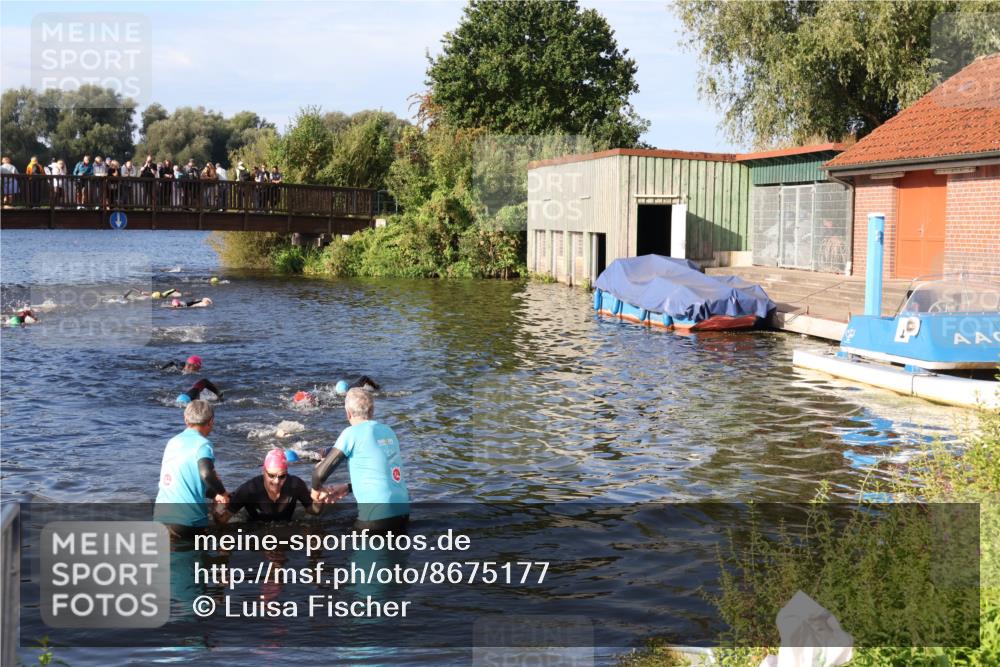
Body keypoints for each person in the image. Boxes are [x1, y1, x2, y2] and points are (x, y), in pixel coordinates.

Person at [311, 387, 410, 531]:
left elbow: (319, 474)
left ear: (348, 414)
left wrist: (315, 491)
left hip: (376, 517)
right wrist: (348, 487)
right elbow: (384, 474)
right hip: (403, 512)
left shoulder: (350, 434)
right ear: (372, 411)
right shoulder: (389, 431)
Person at [154, 400, 228, 538]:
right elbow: (206, 473)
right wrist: (222, 493)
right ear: (211, 421)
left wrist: (214, 494)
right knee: (202, 556)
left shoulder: (172, 442)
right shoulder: (203, 444)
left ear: (185, 419)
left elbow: (186, 482)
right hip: (188, 521)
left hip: (161, 517)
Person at [216, 449, 324, 523]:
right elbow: (222, 519)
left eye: (282, 476)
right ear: (264, 471)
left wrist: (319, 500)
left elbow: (313, 511)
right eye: (271, 475)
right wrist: (216, 506)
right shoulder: (249, 489)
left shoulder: (295, 485)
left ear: (287, 472)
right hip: (255, 531)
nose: (276, 481)